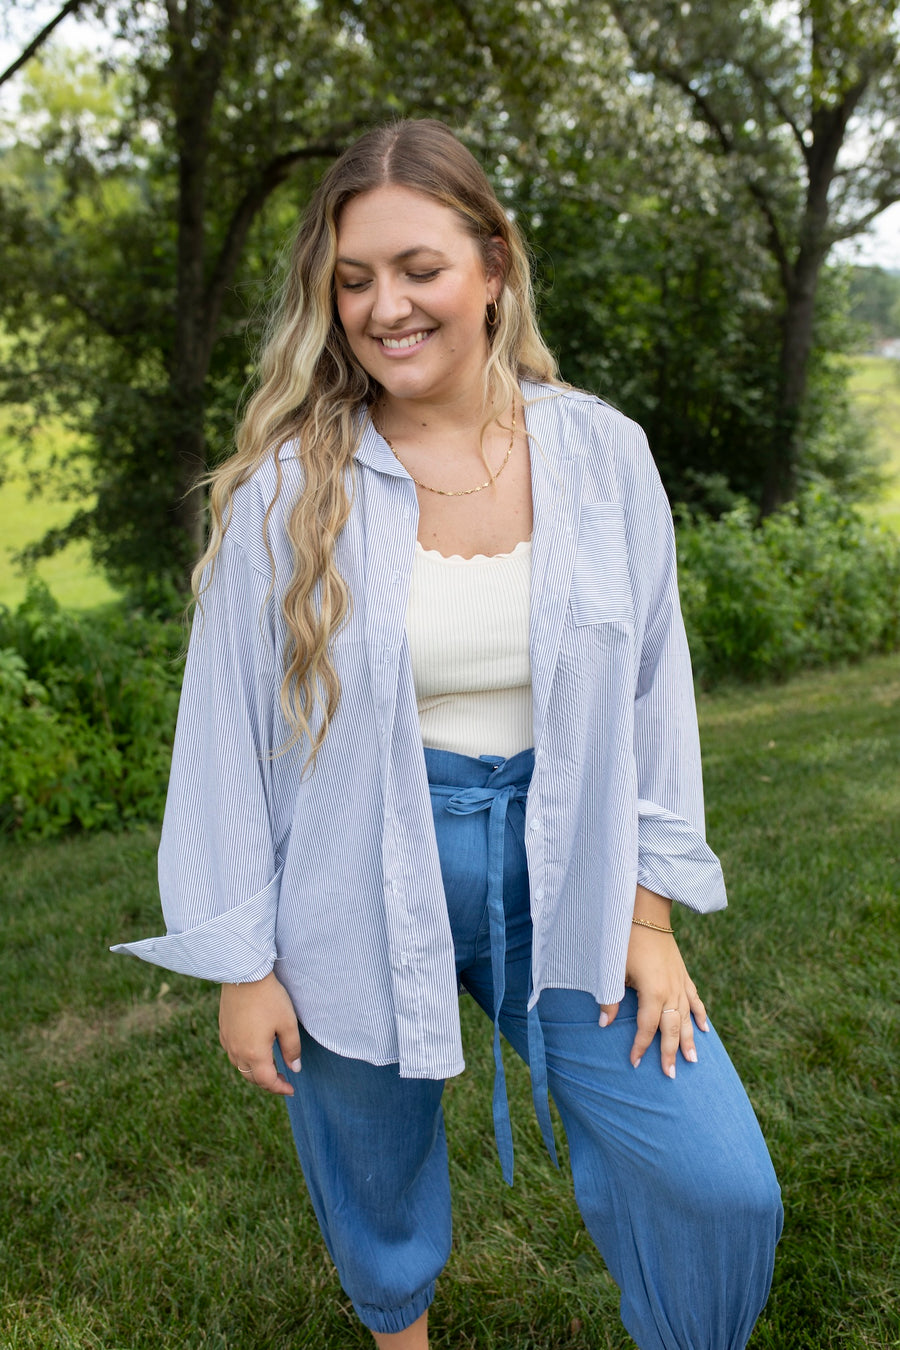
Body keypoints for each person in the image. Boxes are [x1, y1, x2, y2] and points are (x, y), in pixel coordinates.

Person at [113, 118, 783, 1349]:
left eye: (418, 268)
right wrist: (244, 967)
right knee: (371, 1165)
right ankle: (399, 1333)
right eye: (354, 279)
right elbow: (220, 743)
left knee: (719, 1181)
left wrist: (647, 916)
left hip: (566, 864)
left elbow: (652, 691)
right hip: (355, 873)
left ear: (494, 265)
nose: (385, 307)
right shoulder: (286, 492)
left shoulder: (602, 457)